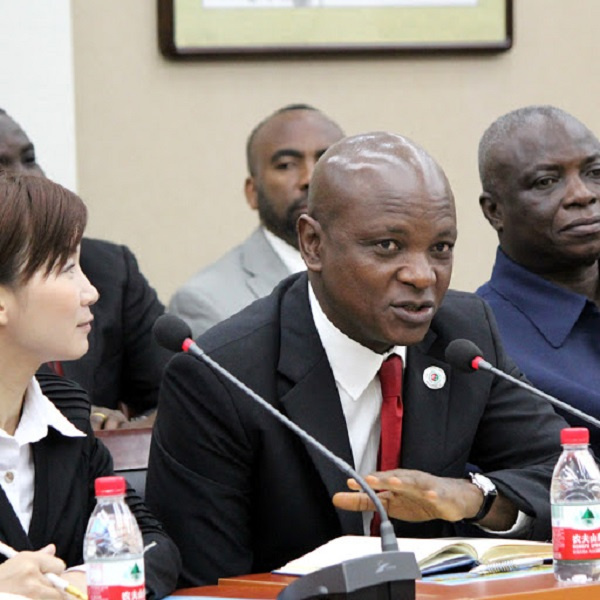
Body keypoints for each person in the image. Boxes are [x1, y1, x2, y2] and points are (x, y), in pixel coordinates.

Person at [146, 131, 568, 587]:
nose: (422, 275)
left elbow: (567, 482)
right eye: (387, 246)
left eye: (441, 248)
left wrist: (475, 498)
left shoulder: (463, 336)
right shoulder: (222, 379)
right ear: (312, 244)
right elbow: (206, 586)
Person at [0, 172, 180, 599]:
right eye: (66, 269)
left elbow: (155, 546)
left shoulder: (64, 412)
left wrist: (84, 583)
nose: (91, 291)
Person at [0, 108, 171, 430]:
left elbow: (176, 388)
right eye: (1, 167)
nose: (29, 178)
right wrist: (73, 416)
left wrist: (134, 425)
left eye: (30, 158)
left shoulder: (109, 268)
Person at [476, 105, 600, 455]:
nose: (582, 194)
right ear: (494, 211)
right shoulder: (479, 343)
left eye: (595, 172)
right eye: (546, 182)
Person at [168, 103, 344, 337]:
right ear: (253, 192)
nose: (309, 178)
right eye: (287, 165)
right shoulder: (207, 302)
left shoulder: (383, 272)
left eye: (326, 161)